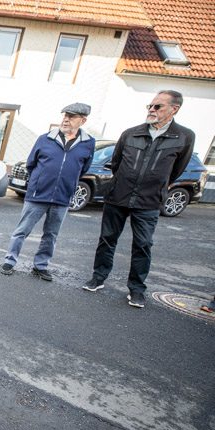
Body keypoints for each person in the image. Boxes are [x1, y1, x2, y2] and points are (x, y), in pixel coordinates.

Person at [82, 90, 195, 308]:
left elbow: (177, 169)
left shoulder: (184, 137)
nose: (152, 110)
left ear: (174, 109)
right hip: (119, 196)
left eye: (158, 106)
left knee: (143, 244)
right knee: (107, 239)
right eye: (150, 106)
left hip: (149, 201)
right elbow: (116, 164)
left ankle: (136, 289)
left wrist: (157, 184)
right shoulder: (131, 133)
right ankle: (98, 278)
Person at [0, 103, 95, 281]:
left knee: (51, 235)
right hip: (38, 195)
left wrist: (68, 183)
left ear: (82, 120)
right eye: (65, 115)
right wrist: (39, 181)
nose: (66, 119)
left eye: (71, 117)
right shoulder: (45, 139)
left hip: (62, 197)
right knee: (22, 230)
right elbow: (31, 163)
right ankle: (10, 261)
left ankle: (40, 266)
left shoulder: (88, 143)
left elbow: (83, 169)